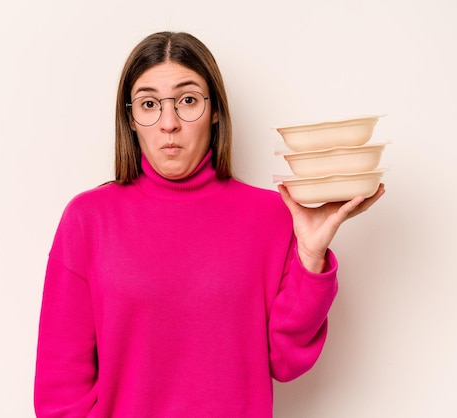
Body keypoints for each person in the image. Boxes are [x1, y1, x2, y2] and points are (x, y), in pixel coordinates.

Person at [34, 31, 385, 417]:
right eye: (149, 104)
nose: (169, 123)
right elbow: (60, 393)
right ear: (131, 119)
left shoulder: (272, 216)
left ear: (215, 110)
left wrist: (310, 256)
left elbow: (286, 363)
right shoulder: (89, 219)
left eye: (187, 100)